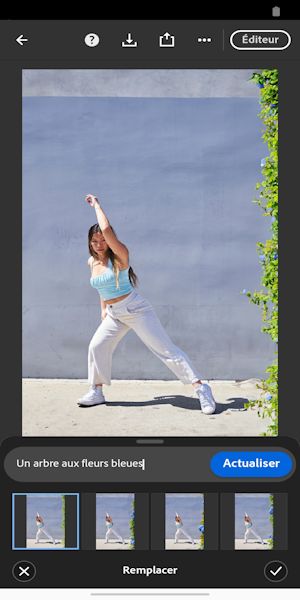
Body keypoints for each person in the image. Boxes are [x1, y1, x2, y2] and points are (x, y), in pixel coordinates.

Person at [77, 194, 216, 416]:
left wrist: (97, 206)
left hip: (135, 309)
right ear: (89, 244)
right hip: (114, 314)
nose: (100, 245)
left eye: (103, 240)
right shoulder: (92, 262)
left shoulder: (121, 256)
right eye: (95, 241)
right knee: (97, 346)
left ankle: (201, 388)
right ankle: (97, 391)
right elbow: (102, 288)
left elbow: (108, 230)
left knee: (166, 351)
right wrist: (103, 309)